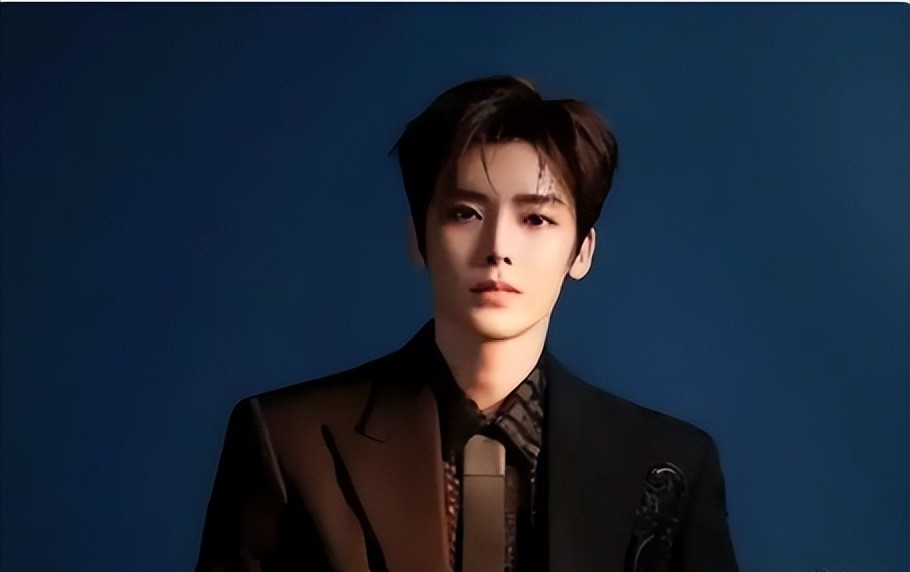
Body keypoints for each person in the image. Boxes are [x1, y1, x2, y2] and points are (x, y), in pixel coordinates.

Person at [196, 76, 738, 571]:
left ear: (581, 251)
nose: (498, 248)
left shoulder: (669, 464)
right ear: (418, 238)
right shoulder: (288, 441)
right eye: (465, 214)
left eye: (536, 218)